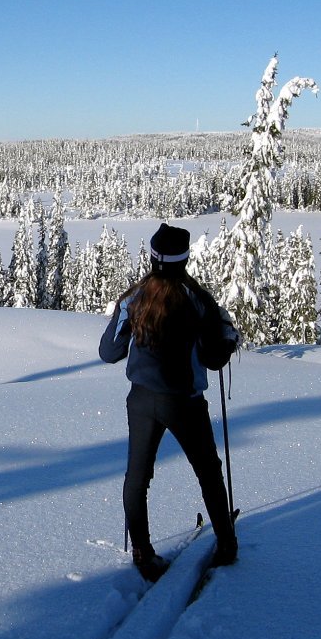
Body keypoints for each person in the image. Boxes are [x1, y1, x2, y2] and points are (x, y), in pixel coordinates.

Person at [98, 223, 239, 582]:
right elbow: (213, 357)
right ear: (185, 259)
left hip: (142, 400)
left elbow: (108, 351)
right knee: (208, 472)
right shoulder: (199, 300)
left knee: (138, 477)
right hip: (186, 403)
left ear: (153, 257)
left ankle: (142, 552)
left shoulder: (135, 298)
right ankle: (226, 544)